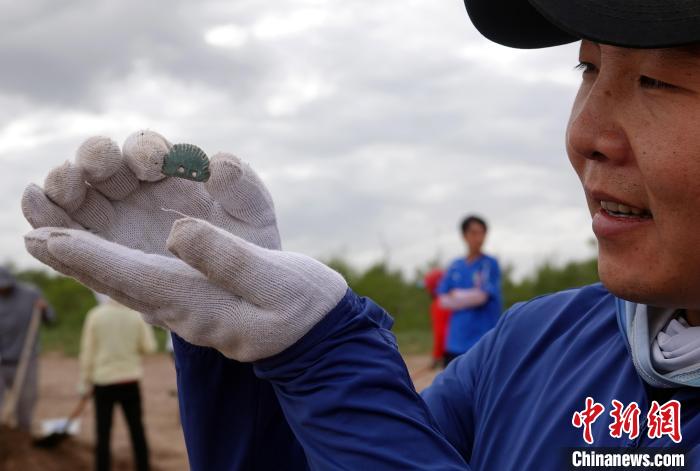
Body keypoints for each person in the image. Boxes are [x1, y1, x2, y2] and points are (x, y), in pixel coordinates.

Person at [19, 0, 700, 468]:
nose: (586, 135)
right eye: (587, 68)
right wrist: (236, 347)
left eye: (657, 81)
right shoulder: (536, 344)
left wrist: (329, 356)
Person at [78, 293, 156, 471]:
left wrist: (85, 381)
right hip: (130, 381)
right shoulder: (136, 316)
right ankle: (143, 467)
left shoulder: (95, 316)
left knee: (103, 433)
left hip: (103, 382)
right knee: (137, 430)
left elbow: (87, 353)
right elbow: (149, 347)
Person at [437, 216, 501, 365]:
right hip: (455, 342)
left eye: (482, 233)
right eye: (474, 233)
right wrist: (470, 296)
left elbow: (482, 297)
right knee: (453, 387)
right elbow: (442, 300)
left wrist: (456, 295)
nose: (479, 238)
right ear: (464, 236)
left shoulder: (489, 264)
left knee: (483, 387)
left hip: (483, 341)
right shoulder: (455, 266)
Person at [0, 266, 54, 433]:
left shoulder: (30, 294)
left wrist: (44, 309)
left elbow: (51, 319)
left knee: (25, 404)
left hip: (25, 358)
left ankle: (22, 440)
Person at [423, 268, 451, 369]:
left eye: (427, 287)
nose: (426, 291)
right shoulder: (455, 301)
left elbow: (441, 333)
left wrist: (436, 356)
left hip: (450, 353)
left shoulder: (439, 304)